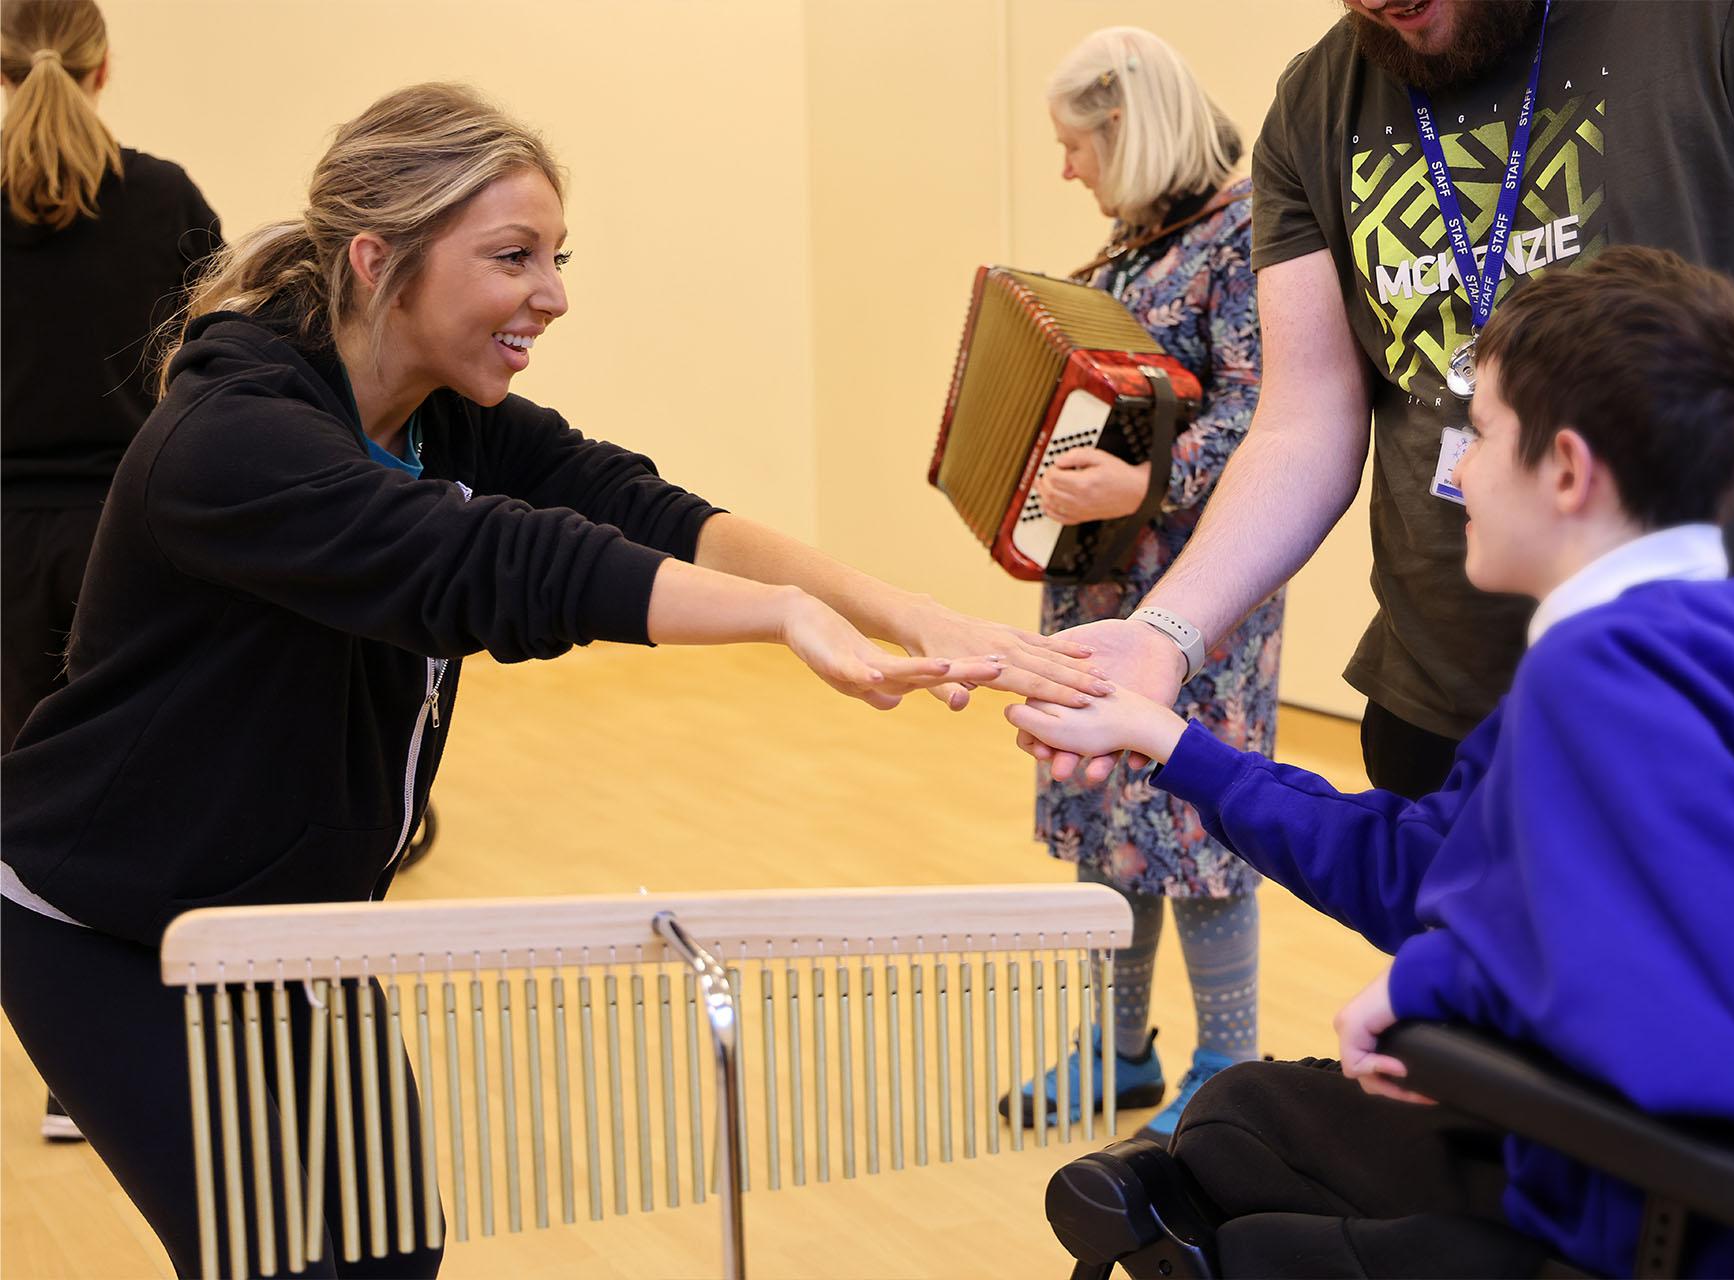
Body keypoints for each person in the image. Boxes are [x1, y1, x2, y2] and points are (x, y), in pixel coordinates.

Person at [0, 82, 1102, 1278]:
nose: (554, 294)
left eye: (558, 257)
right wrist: (782, 619)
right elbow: (500, 563)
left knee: (387, 1257)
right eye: (513, 257)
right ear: (379, 261)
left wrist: (897, 605)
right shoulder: (234, 437)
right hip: (109, 924)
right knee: (291, 1268)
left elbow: (645, 508)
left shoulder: (438, 412)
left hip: (291, 922)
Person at [1008, 246, 1734, 1277]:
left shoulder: (1599, 673)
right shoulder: (1716, 642)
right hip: (1653, 1171)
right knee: (1236, 1114)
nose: (1455, 469)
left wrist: (1434, 987)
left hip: (1629, 1206)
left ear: (1565, 469)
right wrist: (1172, 742)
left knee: (1235, 1235)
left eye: (1484, 434)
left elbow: (1631, 962)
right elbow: (1441, 867)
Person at [1021, 0, 1734, 797]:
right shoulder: (1314, 104)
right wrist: (1166, 633)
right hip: (1443, 712)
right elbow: (1303, 421)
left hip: (1714, 693)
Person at [1004, 27, 1285, 1146]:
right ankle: (1118, 1050)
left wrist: (1143, 478)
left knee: (1196, 822)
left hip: (1200, 586)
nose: (1066, 168)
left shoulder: (1246, 233)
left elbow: (1269, 417)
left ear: (1125, 126)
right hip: (1099, 582)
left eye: (1076, 145)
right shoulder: (1129, 250)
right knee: (1105, 823)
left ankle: (1226, 1064)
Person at [0, 0, 223, 1144]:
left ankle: (63, 1068)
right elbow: (230, 350)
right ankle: (117, 1073)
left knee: (21, 817)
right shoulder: (168, 193)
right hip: (127, 537)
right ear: (103, 66)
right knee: (136, 800)